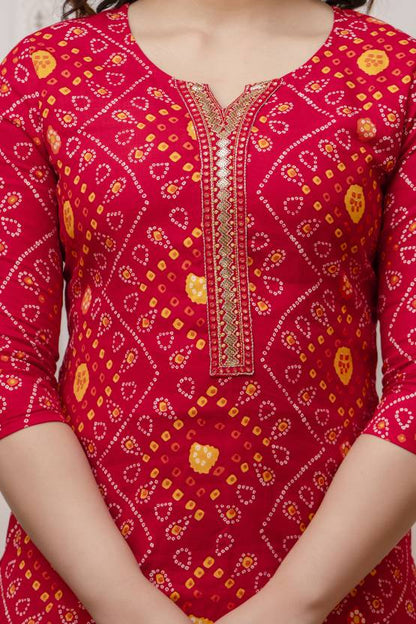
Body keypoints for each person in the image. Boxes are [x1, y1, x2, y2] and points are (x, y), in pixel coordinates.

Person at [0, 0, 415, 622]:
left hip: (342, 590)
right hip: (78, 590)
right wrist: (122, 603)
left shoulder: (395, 75)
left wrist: (294, 605)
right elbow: (8, 366)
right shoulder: (46, 72)